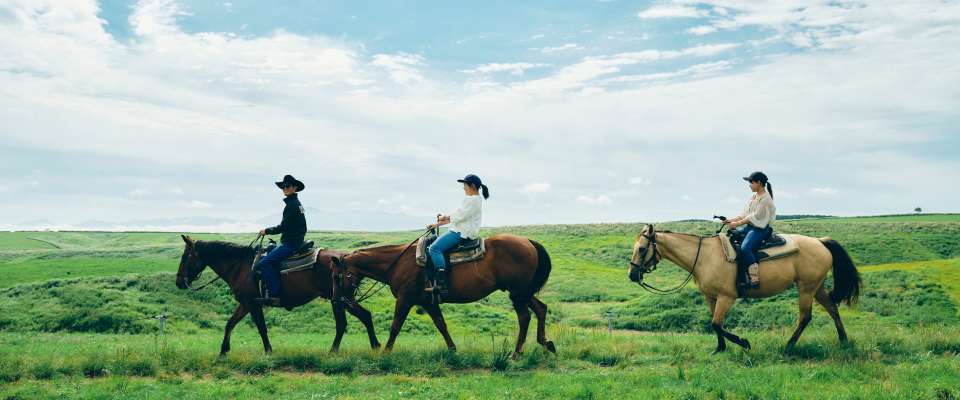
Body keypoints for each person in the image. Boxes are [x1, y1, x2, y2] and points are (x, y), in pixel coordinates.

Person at [425, 174, 490, 294]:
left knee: (434, 248)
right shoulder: (472, 200)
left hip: (461, 233)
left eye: (465, 185)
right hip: (460, 230)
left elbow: (460, 216)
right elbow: (458, 217)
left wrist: (444, 216)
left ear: (472, 186)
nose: (463, 188)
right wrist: (437, 225)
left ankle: (441, 282)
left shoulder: (473, 200)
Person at [255, 174, 307, 306]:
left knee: (265, 263)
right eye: (283, 186)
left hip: (290, 243)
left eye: (287, 186)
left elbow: (283, 227)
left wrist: (267, 230)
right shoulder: (296, 204)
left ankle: (275, 294)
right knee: (271, 251)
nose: (285, 188)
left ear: (294, 187)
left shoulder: (292, 205)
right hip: (295, 241)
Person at [724, 171, 776, 289]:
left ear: (758, 183)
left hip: (760, 229)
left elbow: (754, 217)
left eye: (751, 182)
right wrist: (731, 220)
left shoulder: (766, 199)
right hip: (750, 227)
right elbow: (745, 213)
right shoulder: (754, 196)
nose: (749, 185)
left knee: (745, 248)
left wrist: (737, 224)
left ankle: (754, 277)